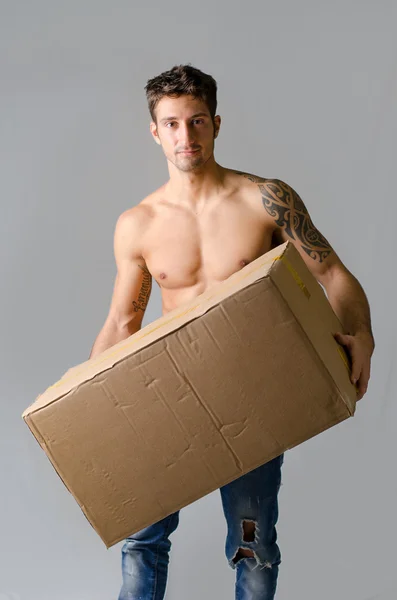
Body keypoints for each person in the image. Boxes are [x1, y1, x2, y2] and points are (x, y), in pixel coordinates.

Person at [89, 64, 375, 600]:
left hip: (251, 404)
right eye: (172, 123)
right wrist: (89, 413)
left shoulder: (264, 199)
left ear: (216, 124)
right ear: (155, 131)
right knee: (141, 540)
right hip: (169, 399)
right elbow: (123, 322)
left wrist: (363, 334)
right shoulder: (139, 224)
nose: (185, 136)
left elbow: (333, 274)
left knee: (253, 545)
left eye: (196, 121)